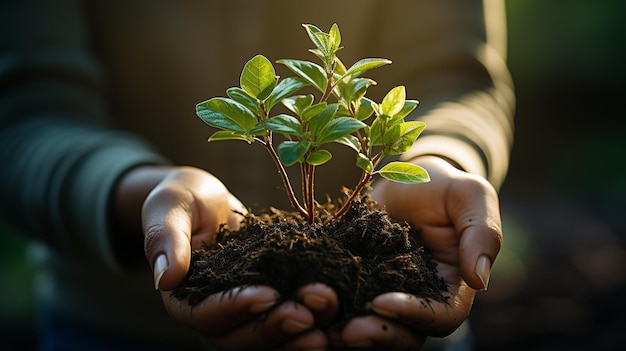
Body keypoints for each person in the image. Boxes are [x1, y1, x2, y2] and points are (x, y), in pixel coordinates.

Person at [0, 0, 514, 350]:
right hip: (116, 326)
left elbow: (460, 78)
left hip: (402, 325)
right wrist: (135, 191)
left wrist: (440, 161)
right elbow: (28, 111)